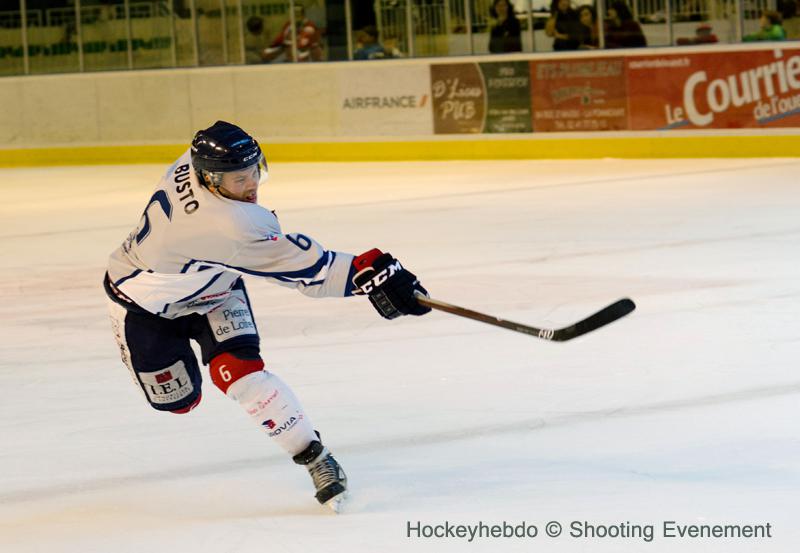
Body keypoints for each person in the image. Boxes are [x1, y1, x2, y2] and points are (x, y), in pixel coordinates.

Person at [103, 121, 430, 511]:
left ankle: (316, 459)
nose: (251, 185)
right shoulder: (230, 225)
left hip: (215, 290)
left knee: (241, 375)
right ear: (209, 178)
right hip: (144, 306)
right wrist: (375, 273)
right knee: (179, 402)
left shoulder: (191, 163)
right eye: (238, 179)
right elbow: (312, 274)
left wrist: (375, 276)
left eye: (254, 171)